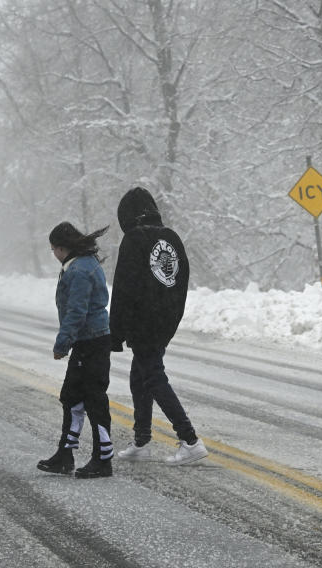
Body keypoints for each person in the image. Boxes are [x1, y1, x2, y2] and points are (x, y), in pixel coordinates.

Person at [109, 187, 208, 466]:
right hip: (164, 321)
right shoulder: (172, 238)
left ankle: (190, 440)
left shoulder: (133, 239)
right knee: (139, 376)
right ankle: (141, 441)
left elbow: (123, 288)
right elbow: (180, 282)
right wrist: (171, 319)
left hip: (142, 321)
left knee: (153, 377)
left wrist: (115, 333)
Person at [36, 222, 114, 479]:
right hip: (89, 341)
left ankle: (103, 459)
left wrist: (62, 343)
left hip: (90, 342)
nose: (53, 254)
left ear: (61, 247)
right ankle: (65, 454)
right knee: (73, 397)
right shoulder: (83, 263)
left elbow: (77, 311)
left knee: (93, 399)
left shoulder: (79, 270)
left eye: (53, 249)